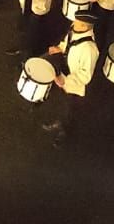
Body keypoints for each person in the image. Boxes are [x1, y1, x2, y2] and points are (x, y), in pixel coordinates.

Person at [42, 14, 99, 142]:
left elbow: (85, 76)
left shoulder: (89, 49)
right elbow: (67, 44)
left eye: (77, 22)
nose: (73, 23)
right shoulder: (75, 32)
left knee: (69, 108)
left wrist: (66, 81)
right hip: (65, 72)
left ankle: (65, 131)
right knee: (62, 103)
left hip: (73, 84)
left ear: (85, 26)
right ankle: (59, 121)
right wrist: (59, 48)